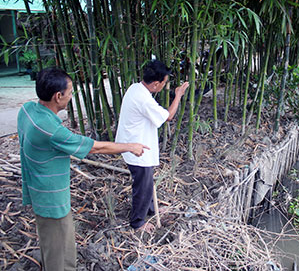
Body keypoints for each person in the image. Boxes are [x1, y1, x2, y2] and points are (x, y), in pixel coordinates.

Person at [17, 67, 149, 271]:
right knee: (61, 254)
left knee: (50, 245)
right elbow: (95, 147)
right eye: (70, 93)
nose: (71, 97)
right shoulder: (50, 130)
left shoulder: (27, 110)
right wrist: (130, 146)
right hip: (52, 200)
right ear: (58, 96)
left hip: (37, 191)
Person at [115, 59, 189, 232]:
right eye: (164, 83)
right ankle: (138, 222)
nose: (165, 86)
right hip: (137, 149)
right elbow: (168, 116)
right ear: (156, 84)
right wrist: (178, 95)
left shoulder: (135, 88)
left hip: (132, 142)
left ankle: (150, 209)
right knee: (142, 185)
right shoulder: (144, 100)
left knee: (146, 182)